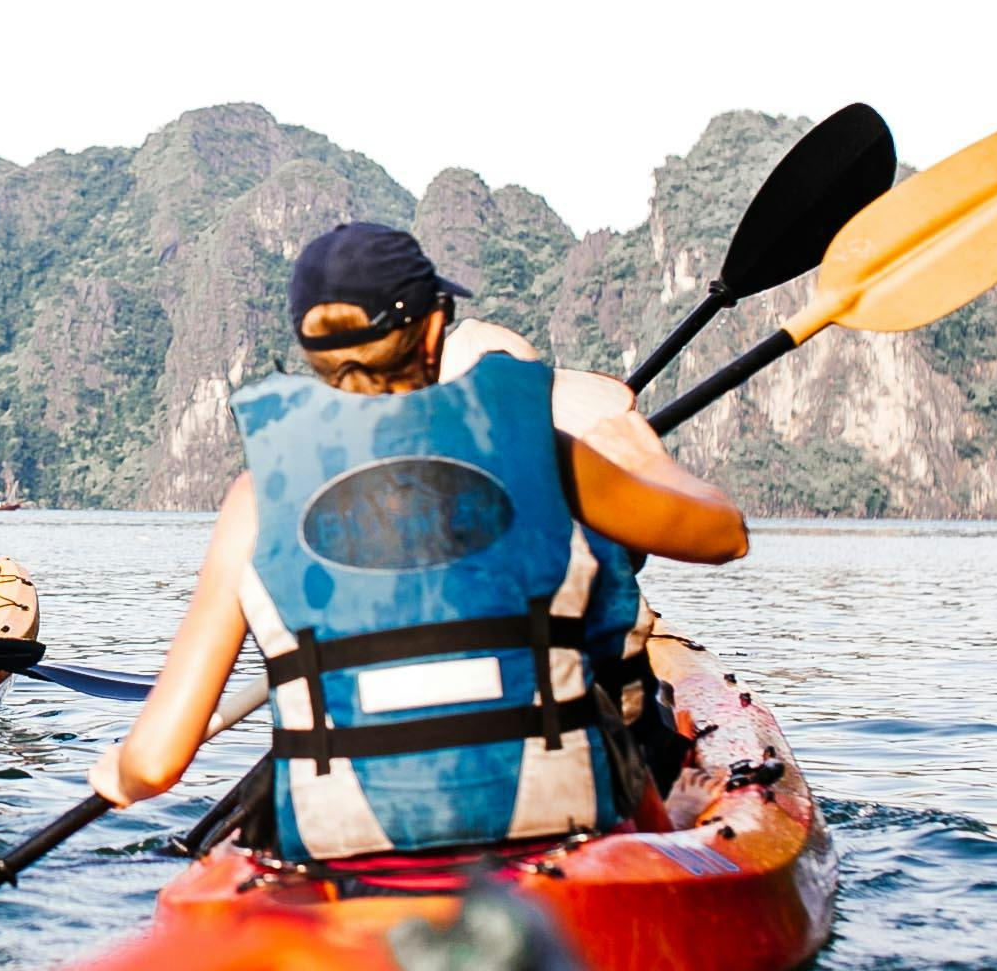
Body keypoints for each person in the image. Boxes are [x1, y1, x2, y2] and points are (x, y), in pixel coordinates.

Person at [88, 223, 747, 862]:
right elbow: (725, 536)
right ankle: (665, 826)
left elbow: (156, 763)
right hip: (552, 826)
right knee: (599, 700)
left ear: (311, 350)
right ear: (434, 328)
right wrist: (647, 458)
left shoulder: (255, 498)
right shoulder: (540, 454)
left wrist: (123, 774)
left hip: (341, 843)